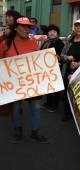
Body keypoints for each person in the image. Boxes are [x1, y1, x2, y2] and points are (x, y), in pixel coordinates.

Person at [0, 16, 48, 144]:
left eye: (29, 27)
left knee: (36, 107)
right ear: (16, 28)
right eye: (24, 26)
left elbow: (39, 60)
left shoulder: (32, 42)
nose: (27, 29)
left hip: (32, 82)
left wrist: (52, 60)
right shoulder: (6, 44)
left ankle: (35, 132)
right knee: (16, 108)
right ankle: (18, 130)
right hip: (14, 84)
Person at [41, 24, 64, 112]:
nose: (52, 33)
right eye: (50, 31)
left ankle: (54, 105)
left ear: (57, 34)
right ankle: (48, 102)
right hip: (46, 69)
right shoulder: (46, 42)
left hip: (56, 69)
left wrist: (59, 57)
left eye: (54, 32)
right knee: (48, 87)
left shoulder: (59, 43)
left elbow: (61, 56)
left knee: (55, 88)